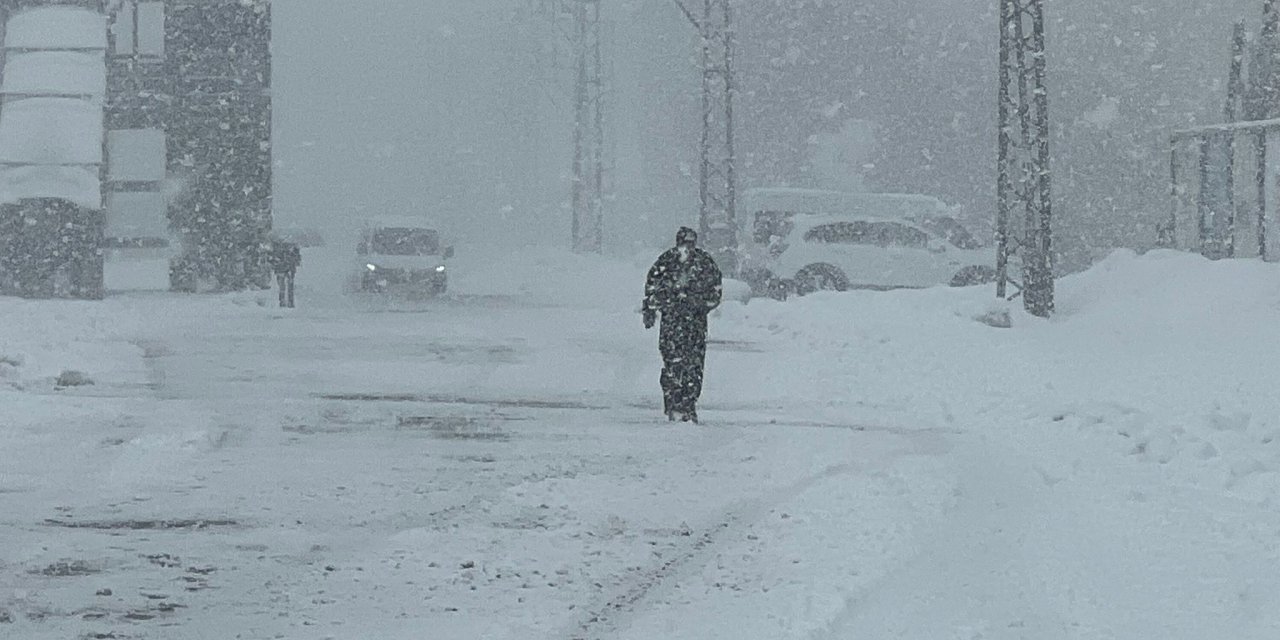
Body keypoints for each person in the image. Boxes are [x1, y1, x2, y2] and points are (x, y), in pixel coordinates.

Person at [642, 227, 723, 423]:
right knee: (673, 362)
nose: (687, 247)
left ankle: (688, 403)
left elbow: (715, 291)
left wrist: (699, 305)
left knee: (693, 365)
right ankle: (674, 401)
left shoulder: (704, 262)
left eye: (690, 243)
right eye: (684, 242)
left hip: (694, 322)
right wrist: (651, 308)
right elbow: (652, 285)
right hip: (672, 321)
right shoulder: (667, 260)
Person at [270, 239, 302, 308]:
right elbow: (298, 260)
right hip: (284, 269)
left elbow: (297, 259)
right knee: (286, 286)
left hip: (285, 269)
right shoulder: (292, 246)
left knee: (284, 286)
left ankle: (285, 302)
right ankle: (287, 302)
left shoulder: (278, 246)